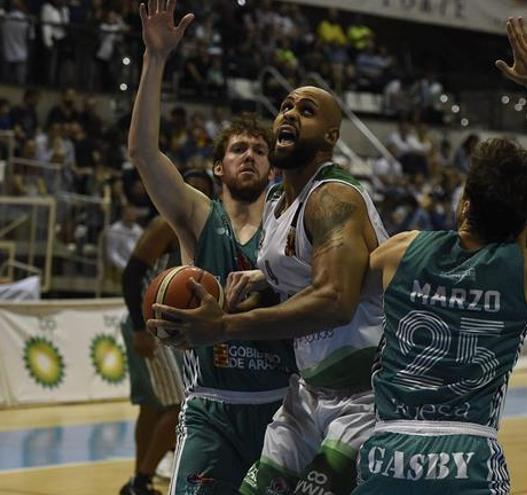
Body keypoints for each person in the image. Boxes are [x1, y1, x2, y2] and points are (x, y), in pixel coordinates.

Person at [148, 23, 388, 495]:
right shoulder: (280, 206)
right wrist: (264, 279)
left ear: (331, 136)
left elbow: (336, 300)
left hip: (362, 397)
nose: (290, 114)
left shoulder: (332, 197)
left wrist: (223, 327)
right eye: (285, 106)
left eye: (307, 109)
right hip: (307, 395)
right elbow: (301, 277)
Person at [353, 17, 527, 493]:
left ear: (464, 206)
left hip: (386, 452)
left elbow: (332, 298)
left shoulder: (401, 251)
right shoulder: (525, 266)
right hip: (468, 455)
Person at [128, 2, 295, 493]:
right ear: (218, 168)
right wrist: (155, 60)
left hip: (283, 406)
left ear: (273, 169)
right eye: (238, 149)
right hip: (212, 409)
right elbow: (141, 152)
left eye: (260, 151)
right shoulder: (198, 215)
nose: (250, 156)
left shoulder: (291, 221)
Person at [119, 170, 214, 495]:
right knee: (176, 404)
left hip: (169, 325)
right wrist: (138, 328)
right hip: (150, 322)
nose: (194, 197)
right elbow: (131, 276)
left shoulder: (206, 228)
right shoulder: (164, 225)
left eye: (202, 192)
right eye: (189, 189)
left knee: (152, 405)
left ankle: (136, 480)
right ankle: (143, 478)